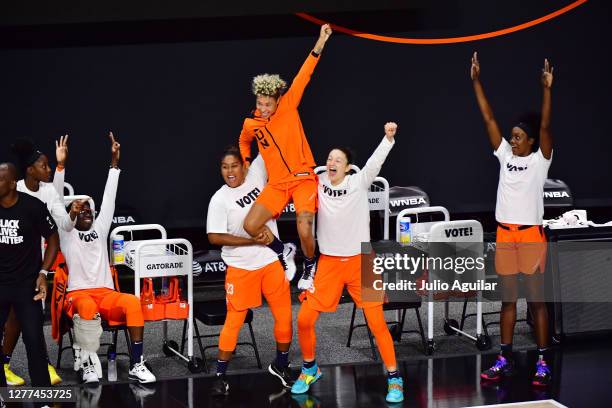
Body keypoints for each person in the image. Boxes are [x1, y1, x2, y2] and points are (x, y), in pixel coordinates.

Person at [291, 123, 404, 403]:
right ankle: (309, 368)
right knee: (304, 319)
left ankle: (394, 377)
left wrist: (388, 139)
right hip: (329, 263)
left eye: (337, 160)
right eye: (329, 159)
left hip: (361, 261)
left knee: (377, 323)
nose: (331, 163)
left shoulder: (359, 181)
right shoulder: (317, 182)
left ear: (348, 167)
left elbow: (375, 162)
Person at [471, 52, 553, 387]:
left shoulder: (540, 161)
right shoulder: (505, 156)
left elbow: (546, 125)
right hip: (505, 235)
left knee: (535, 302)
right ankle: (503, 358)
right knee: (508, 300)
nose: (513, 139)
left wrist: (547, 89)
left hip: (531, 235)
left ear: (531, 142)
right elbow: (488, 118)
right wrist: (476, 81)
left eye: (519, 136)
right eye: (513, 136)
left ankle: (543, 361)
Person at [238, 24, 333, 289]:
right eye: (260, 103)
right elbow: (243, 141)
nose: (264, 108)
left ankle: (310, 264)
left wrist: (320, 41)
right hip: (277, 183)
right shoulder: (251, 124)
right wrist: (246, 160)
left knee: (304, 225)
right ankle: (283, 251)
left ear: (278, 100)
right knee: (251, 225)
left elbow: (306, 72)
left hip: (303, 178)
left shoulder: (289, 105)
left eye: (268, 104)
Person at [59, 133, 156, 384]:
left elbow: (109, 198)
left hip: (106, 293)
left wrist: (114, 164)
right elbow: (58, 203)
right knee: (88, 307)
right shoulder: (66, 234)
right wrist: (61, 167)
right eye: (82, 210)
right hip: (79, 295)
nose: (88, 212)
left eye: (90, 209)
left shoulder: (100, 229)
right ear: (73, 214)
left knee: (133, 303)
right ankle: (89, 364)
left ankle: (136, 363)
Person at [206, 147, 295, 395]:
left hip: (269, 262)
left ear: (244, 165)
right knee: (233, 322)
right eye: (225, 167)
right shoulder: (219, 199)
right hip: (240, 267)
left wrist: (267, 114)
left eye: (234, 166)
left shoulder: (256, 174)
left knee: (284, 316)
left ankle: (281, 365)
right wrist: (252, 240)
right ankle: (220, 376)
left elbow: (271, 141)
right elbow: (213, 237)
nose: (230, 172)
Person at [2, 136, 72, 386]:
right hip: (5, 276)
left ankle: (40, 379)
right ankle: (6, 366)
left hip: (30, 273)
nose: (49, 169)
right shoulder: (14, 189)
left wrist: (43, 272)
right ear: (29, 170)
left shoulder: (42, 197)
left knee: (30, 328)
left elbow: (59, 229)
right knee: (14, 321)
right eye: (45, 165)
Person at [0, 161, 59, 388]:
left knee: (34, 342)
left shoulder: (32, 207)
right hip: (1, 284)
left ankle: (43, 398)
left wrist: (44, 272)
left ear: (13, 183)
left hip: (27, 286)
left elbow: (53, 239)